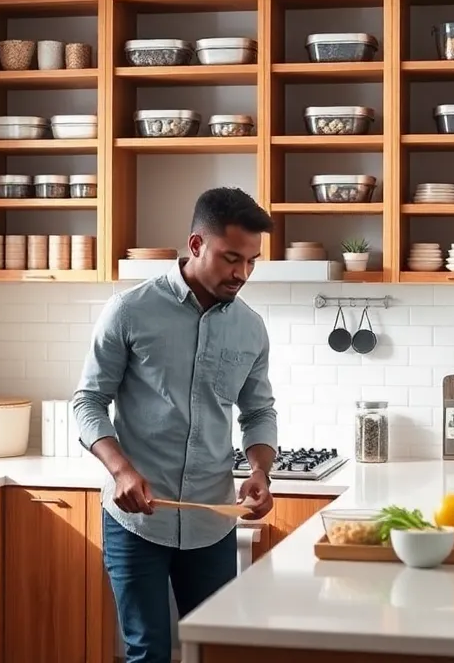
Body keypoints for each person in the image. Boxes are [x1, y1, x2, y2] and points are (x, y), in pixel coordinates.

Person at [71, 187, 279, 663]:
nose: (242, 274)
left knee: (212, 650)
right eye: (231, 259)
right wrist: (121, 469)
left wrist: (260, 470)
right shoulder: (129, 311)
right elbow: (87, 401)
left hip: (212, 520)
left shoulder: (251, 328)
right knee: (148, 653)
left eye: (252, 262)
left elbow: (259, 411)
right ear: (196, 244)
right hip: (137, 520)